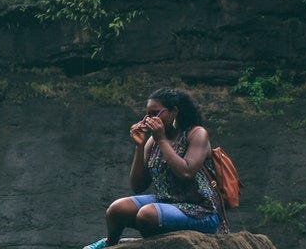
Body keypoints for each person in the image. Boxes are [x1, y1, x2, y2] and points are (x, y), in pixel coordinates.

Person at [83, 88, 224, 249]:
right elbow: (138, 186)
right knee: (117, 209)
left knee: (147, 215)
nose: (148, 120)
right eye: (147, 115)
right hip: (166, 203)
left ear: (174, 112)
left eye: (155, 113)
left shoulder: (196, 134)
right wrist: (140, 146)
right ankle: (111, 243)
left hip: (200, 211)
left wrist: (162, 140)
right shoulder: (152, 141)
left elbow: (186, 172)